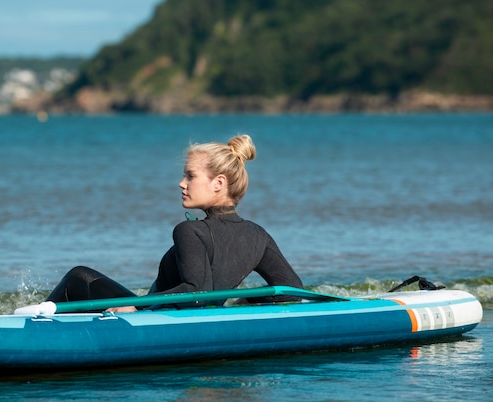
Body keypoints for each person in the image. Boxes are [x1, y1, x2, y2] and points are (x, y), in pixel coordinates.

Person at [46, 134, 303, 312]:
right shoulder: (258, 235)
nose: (182, 183)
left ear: (219, 183)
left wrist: (138, 305)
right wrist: (246, 302)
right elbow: (292, 290)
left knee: (78, 276)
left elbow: (197, 292)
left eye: (190, 176)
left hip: (154, 319)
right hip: (186, 318)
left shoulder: (190, 230)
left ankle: (28, 328)